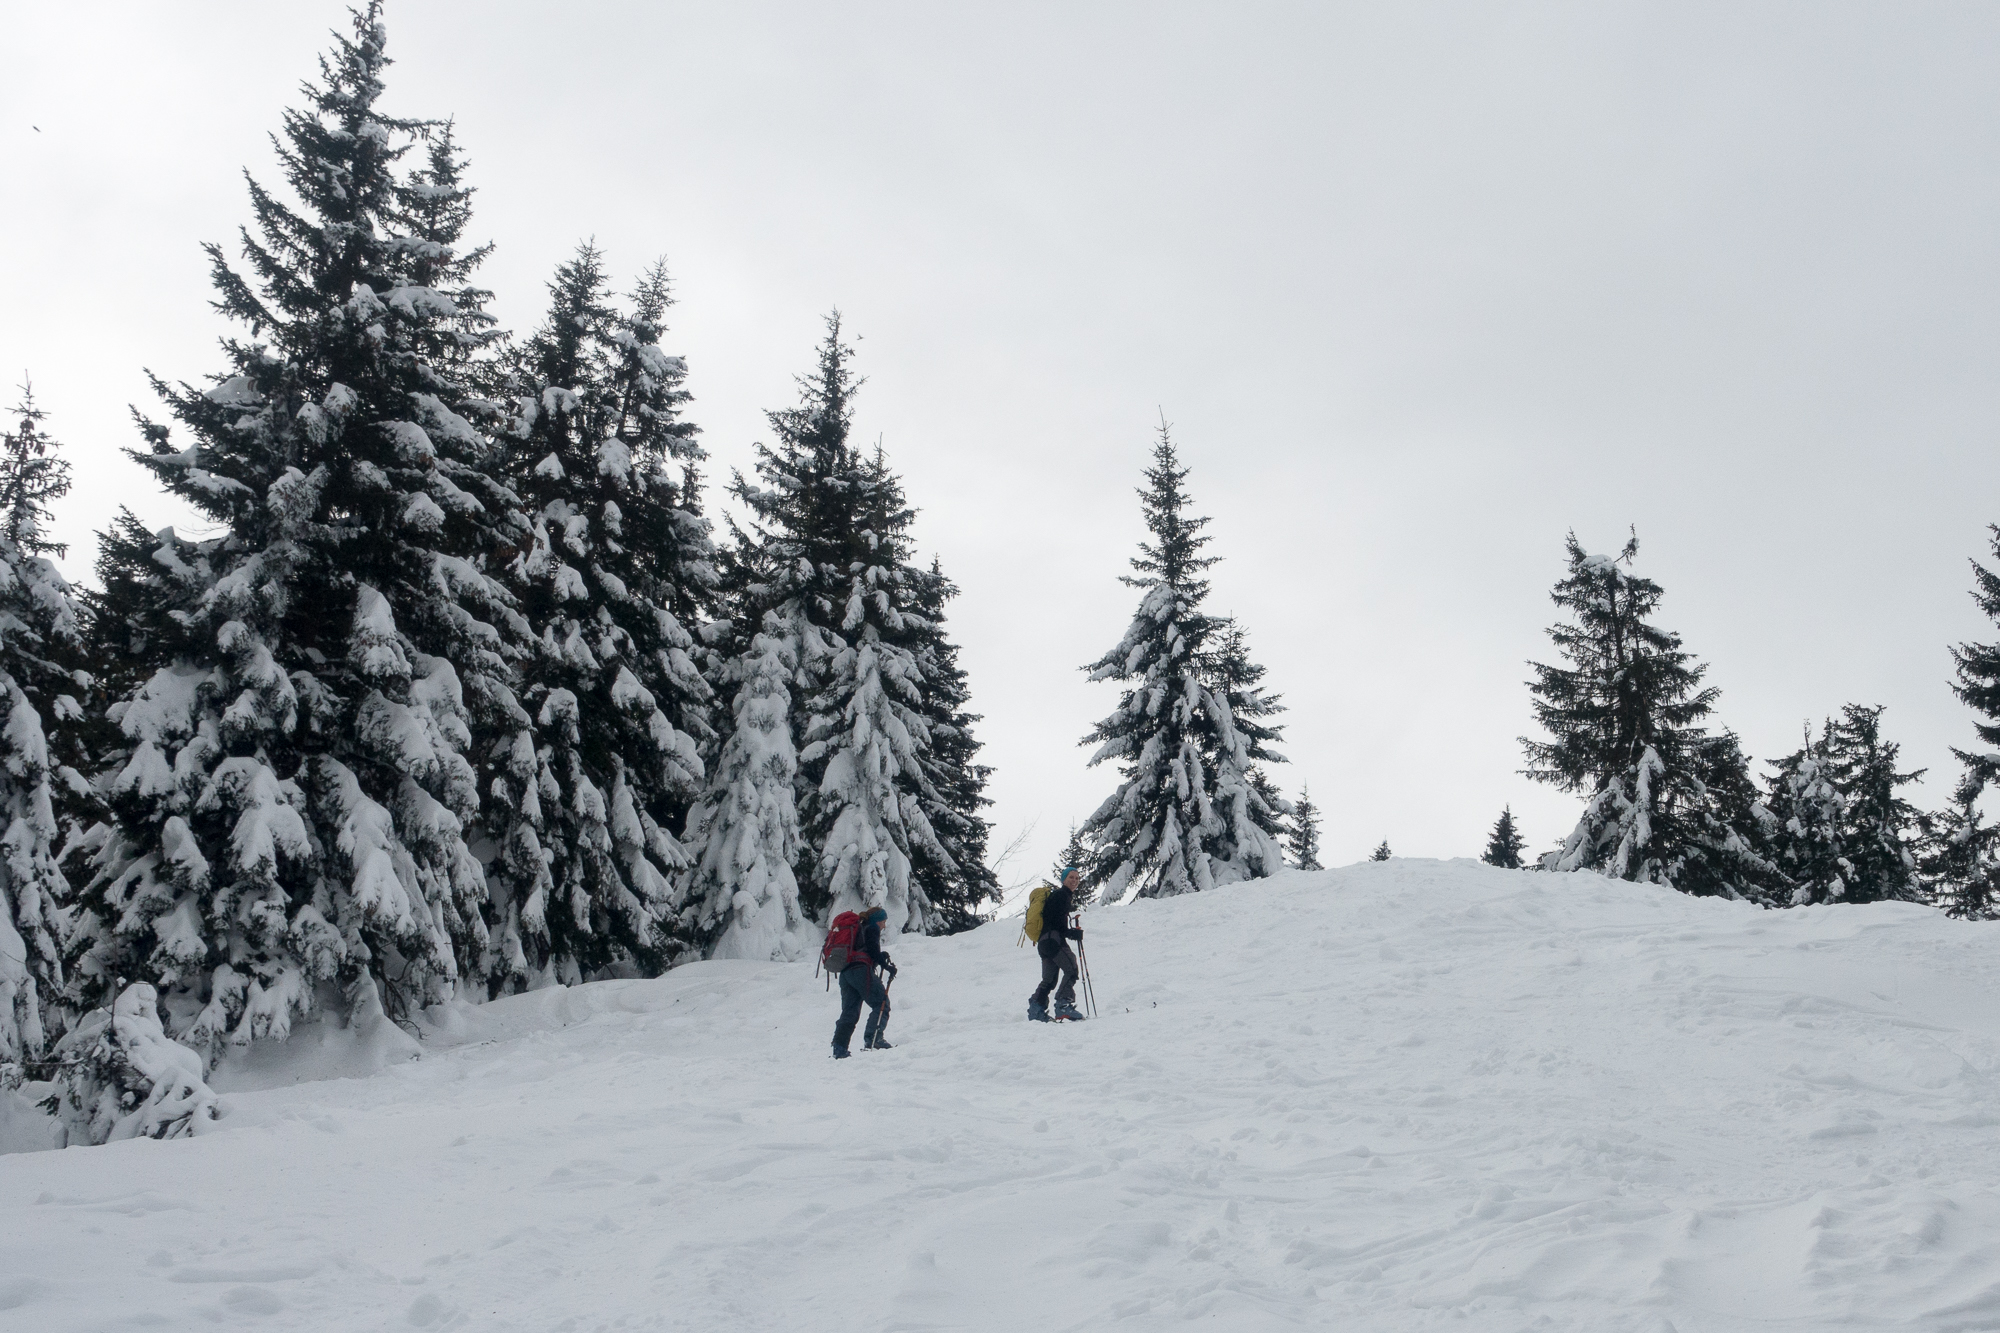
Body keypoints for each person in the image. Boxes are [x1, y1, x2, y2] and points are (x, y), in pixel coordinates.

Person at [832, 905, 896, 1059]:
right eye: (883, 921)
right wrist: (886, 965)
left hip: (846, 973)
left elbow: (867, 949)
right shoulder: (871, 928)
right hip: (860, 971)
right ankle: (874, 1039)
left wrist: (881, 956)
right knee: (881, 1002)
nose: (884, 925)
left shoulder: (858, 929)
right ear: (877, 920)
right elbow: (873, 951)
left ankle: (839, 1048)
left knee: (850, 1011)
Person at [1028, 866, 1086, 1022]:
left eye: (1077, 878)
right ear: (1063, 880)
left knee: (1049, 979)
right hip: (1054, 941)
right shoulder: (1062, 896)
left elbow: (1052, 919)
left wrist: (1068, 931)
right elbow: (1057, 923)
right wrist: (1071, 933)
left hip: (1044, 943)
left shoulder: (1058, 896)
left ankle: (1036, 1008)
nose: (1074, 881)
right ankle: (1063, 1005)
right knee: (1072, 968)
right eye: (1071, 877)